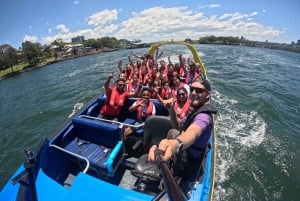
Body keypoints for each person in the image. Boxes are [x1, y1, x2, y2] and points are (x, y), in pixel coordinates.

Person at [148, 78, 217, 191]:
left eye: (199, 91)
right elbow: (178, 127)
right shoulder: (194, 110)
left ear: (207, 95)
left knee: (166, 187)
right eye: (192, 89)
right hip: (184, 150)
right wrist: (171, 111)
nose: (194, 93)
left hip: (189, 161)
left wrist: (175, 143)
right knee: (172, 132)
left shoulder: (204, 117)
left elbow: (193, 131)